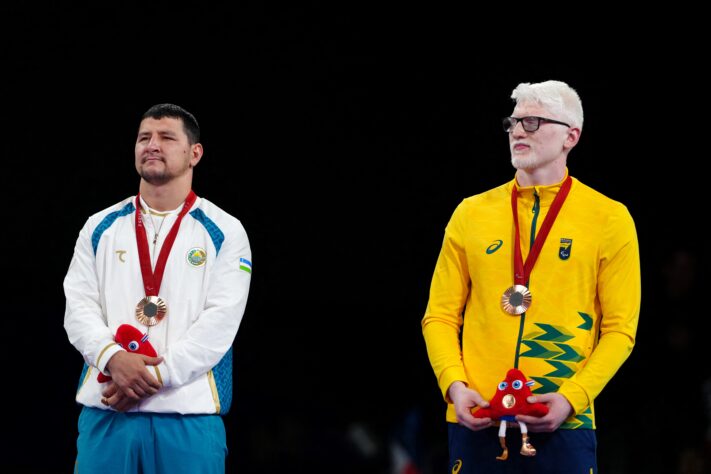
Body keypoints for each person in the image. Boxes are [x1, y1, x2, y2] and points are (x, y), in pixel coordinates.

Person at [422, 80, 640, 473]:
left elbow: (620, 330)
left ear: (571, 136)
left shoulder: (609, 219)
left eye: (534, 122)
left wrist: (573, 398)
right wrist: (454, 387)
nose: (518, 130)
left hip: (565, 422)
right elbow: (438, 316)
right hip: (476, 419)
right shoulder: (471, 213)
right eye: (513, 122)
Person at [64, 103, 252, 473]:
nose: (152, 145)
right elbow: (78, 308)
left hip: (187, 418)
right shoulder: (99, 227)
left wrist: (153, 376)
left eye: (166, 137)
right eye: (144, 138)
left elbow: (219, 325)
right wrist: (112, 359)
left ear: (194, 153)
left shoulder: (226, 231)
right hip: (107, 413)